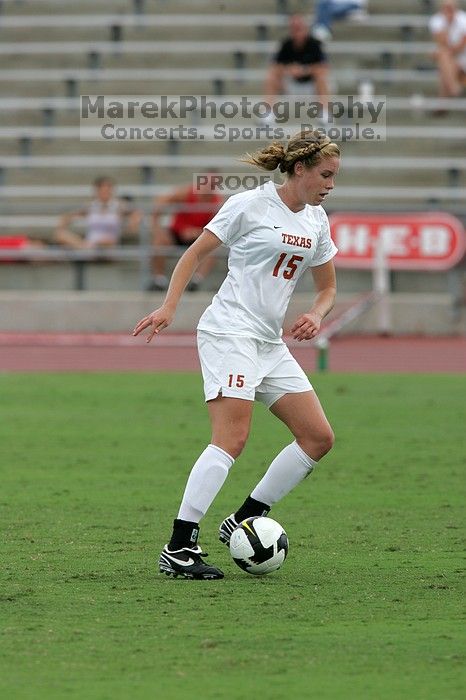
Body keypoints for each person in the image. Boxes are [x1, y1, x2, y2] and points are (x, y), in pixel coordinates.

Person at [133, 129, 340, 580]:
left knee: (318, 438)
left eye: (335, 177)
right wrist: (169, 306)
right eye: (325, 174)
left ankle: (244, 517)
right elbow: (193, 254)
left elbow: (327, 287)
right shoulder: (250, 205)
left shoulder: (316, 220)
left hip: (268, 343)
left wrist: (317, 314)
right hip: (230, 332)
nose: (330, 184)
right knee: (232, 438)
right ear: (299, 170)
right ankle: (179, 545)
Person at [147, 174, 223, 292]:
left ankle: (196, 281)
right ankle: (159, 280)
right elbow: (160, 203)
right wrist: (157, 230)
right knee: (159, 242)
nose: (208, 188)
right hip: (176, 233)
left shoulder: (216, 202)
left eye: (212, 185)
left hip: (198, 236)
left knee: (214, 248)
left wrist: (197, 233)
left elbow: (216, 227)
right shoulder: (185, 193)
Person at [264, 14, 330, 122]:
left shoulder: (314, 44)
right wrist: (289, 70)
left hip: (311, 85)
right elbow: (275, 66)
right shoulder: (286, 44)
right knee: (271, 77)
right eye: (294, 28)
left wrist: (305, 70)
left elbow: (324, 67)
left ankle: (325, 113)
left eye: (299, 27)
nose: (297, 31)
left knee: (322, 77)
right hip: (290, 83)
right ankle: (268, 112)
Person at [55, 176, 142, 250]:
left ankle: (87, 248)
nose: (105, 192)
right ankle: (86, 248)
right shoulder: (91, 206)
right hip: (90, 244)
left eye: (108, 189)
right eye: (102, 189)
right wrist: (63, 223)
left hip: (109, 245)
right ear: (97, 190)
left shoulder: (118, 205)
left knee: (106, 242)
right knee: (60, 235)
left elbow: (136, 212)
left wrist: (132, 224)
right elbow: (69, 215)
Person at [429, 0, 466, 101]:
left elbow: (462, 45)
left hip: (461, 57)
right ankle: (454, 89)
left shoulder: (463, 19)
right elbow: (442, 42)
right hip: (452, 58)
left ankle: (443, 102)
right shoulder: (437, 20)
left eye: (451, 7)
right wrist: (448, 24)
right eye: (446, 7)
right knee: (444, 58)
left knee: (443, 59)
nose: (449, 10)